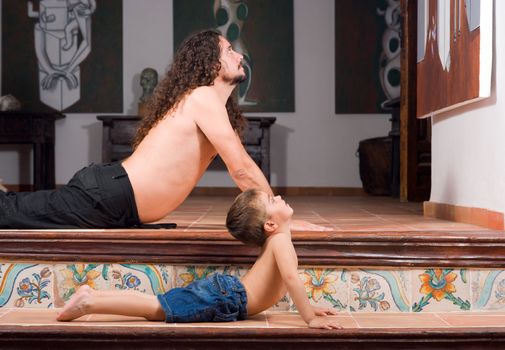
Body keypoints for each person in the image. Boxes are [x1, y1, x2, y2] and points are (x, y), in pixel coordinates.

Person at [0, 29, 322, 230]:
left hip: (117, 201)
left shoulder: (212, 105)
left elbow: (241, 168)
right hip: (110, 195)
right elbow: (242, 169)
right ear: (212, 65)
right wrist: (280, 217)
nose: (239, 56)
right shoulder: (203, 97)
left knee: (22, 210)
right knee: (14, 214)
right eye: (229, 51)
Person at [56, 189, 342, 330]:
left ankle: (92, 295)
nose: (279, 196)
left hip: (226, 294)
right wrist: (309, 319)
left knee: (159, 303)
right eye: (273, 200)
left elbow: (281, 282)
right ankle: (90, 302)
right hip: (225, 297)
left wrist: (311, 306)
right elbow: (290, 279)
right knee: (157, 307)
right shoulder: (279, 240)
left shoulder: (278, 239)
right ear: (269, 224)